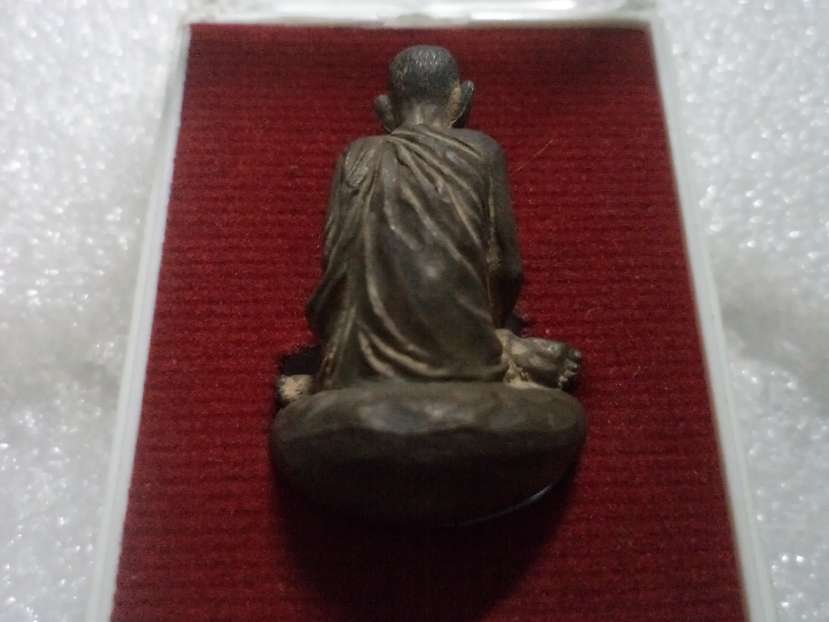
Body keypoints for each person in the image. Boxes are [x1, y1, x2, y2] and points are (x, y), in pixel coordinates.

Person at [293, 45, 579, 397]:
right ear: (463, 99)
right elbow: (507, 268)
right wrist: (483, 324)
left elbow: (337, 270)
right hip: (468, 350)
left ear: (385, 108)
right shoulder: (481, 150)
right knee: (551, 409)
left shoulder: (356, 156)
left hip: (362, 362)